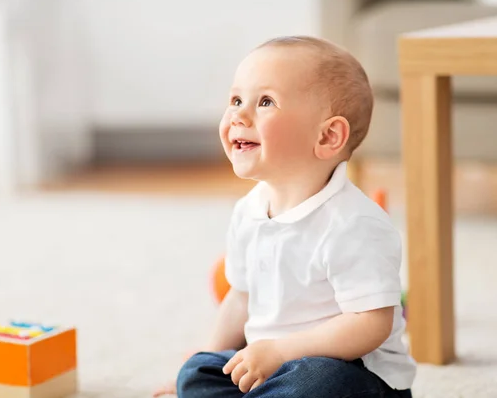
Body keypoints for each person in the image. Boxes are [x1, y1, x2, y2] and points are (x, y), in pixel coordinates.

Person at [154, 35, 416, 397]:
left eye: (265, 102)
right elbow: (240, 299)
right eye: (235, 99)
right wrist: (211, 358)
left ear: (328, 136)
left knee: (319, 382)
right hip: (269, 365)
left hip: (352, 373)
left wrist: (280, 351)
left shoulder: (353, 223)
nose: (238, 115)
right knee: (196, 372)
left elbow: (371, 324)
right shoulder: (248, 211)